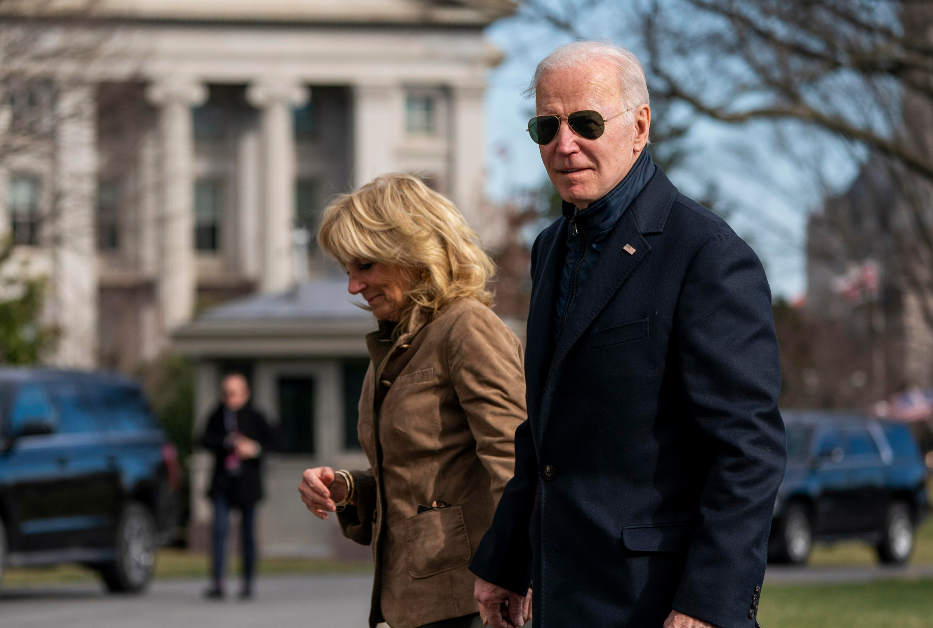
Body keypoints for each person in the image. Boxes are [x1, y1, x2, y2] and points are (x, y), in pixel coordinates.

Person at [469, 41, 787, 628]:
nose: (564, 145)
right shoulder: (549, 250)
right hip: (563, 598)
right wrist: (506, 561)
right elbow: (542, 431)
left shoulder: (707, 254)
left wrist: (708, 604)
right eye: (547, 126)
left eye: (586, 123)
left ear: (639, 126)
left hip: (659, 603)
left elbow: (749, 450)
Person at [297, 174, 528, 628]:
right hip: (416, 604)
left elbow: (516, 461)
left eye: (364, 266)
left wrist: (511, 570)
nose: (353, 287)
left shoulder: (466, 327)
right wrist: (346, 489)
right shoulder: (397, 344)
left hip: (475, 604)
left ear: (413, 253)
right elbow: (416, 479)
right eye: (346, 271)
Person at [200, 372, 279, 600]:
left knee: (247, 535)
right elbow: (203, 439)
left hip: (247, 484)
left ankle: (247, 583)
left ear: (245, 394)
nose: (229, 398)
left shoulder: (256, 416)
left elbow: (277, 441)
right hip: (223, 483)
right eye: (225, 393)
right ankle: (218, 582)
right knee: (219, 531)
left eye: (233, 393)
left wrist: (254, 448)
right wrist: (226, 442)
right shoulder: (217, 415)